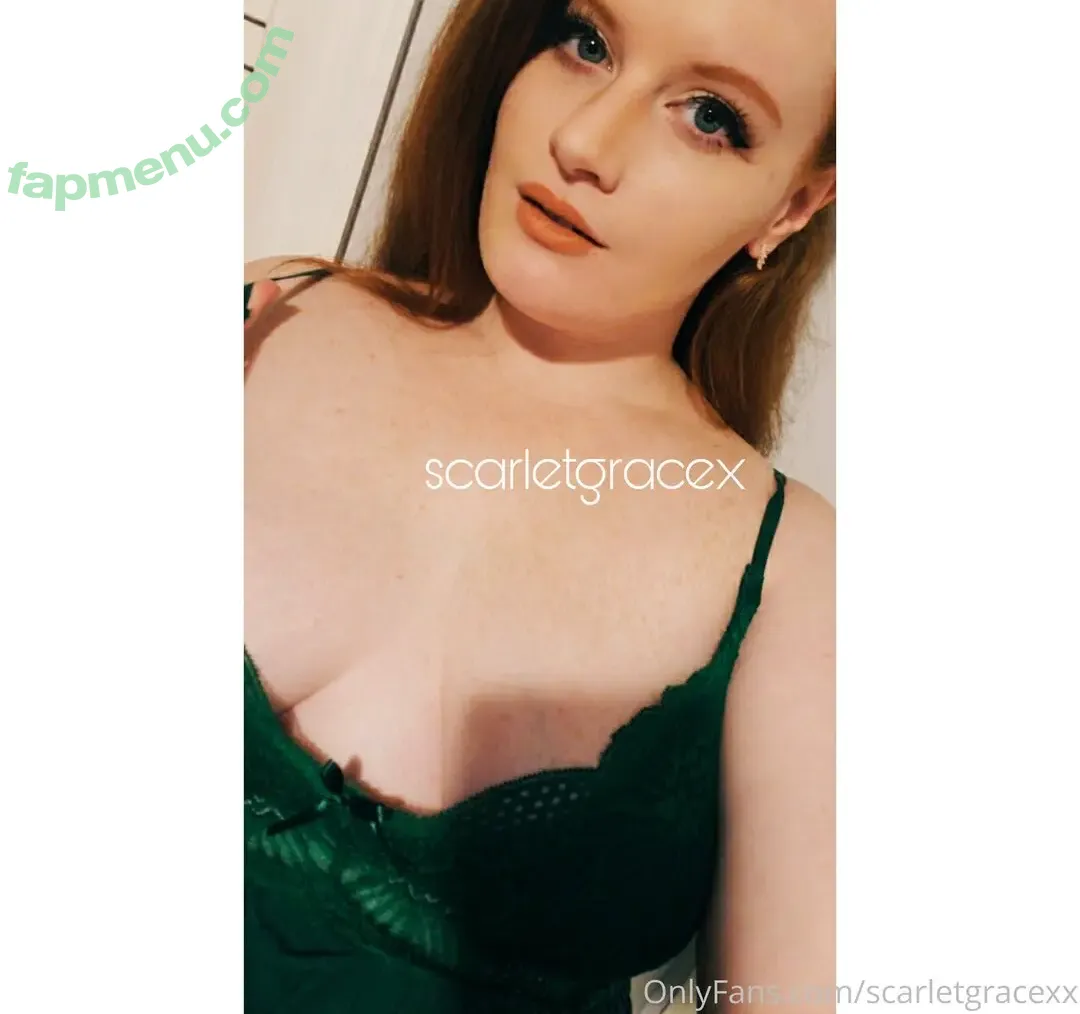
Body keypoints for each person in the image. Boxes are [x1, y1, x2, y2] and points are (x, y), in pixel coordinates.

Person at [243, 0, 836, 1011]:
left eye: (710, 116)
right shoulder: (262, 315)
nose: (583, 141)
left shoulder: (799, 581)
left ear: (792, 206)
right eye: (587, 42)